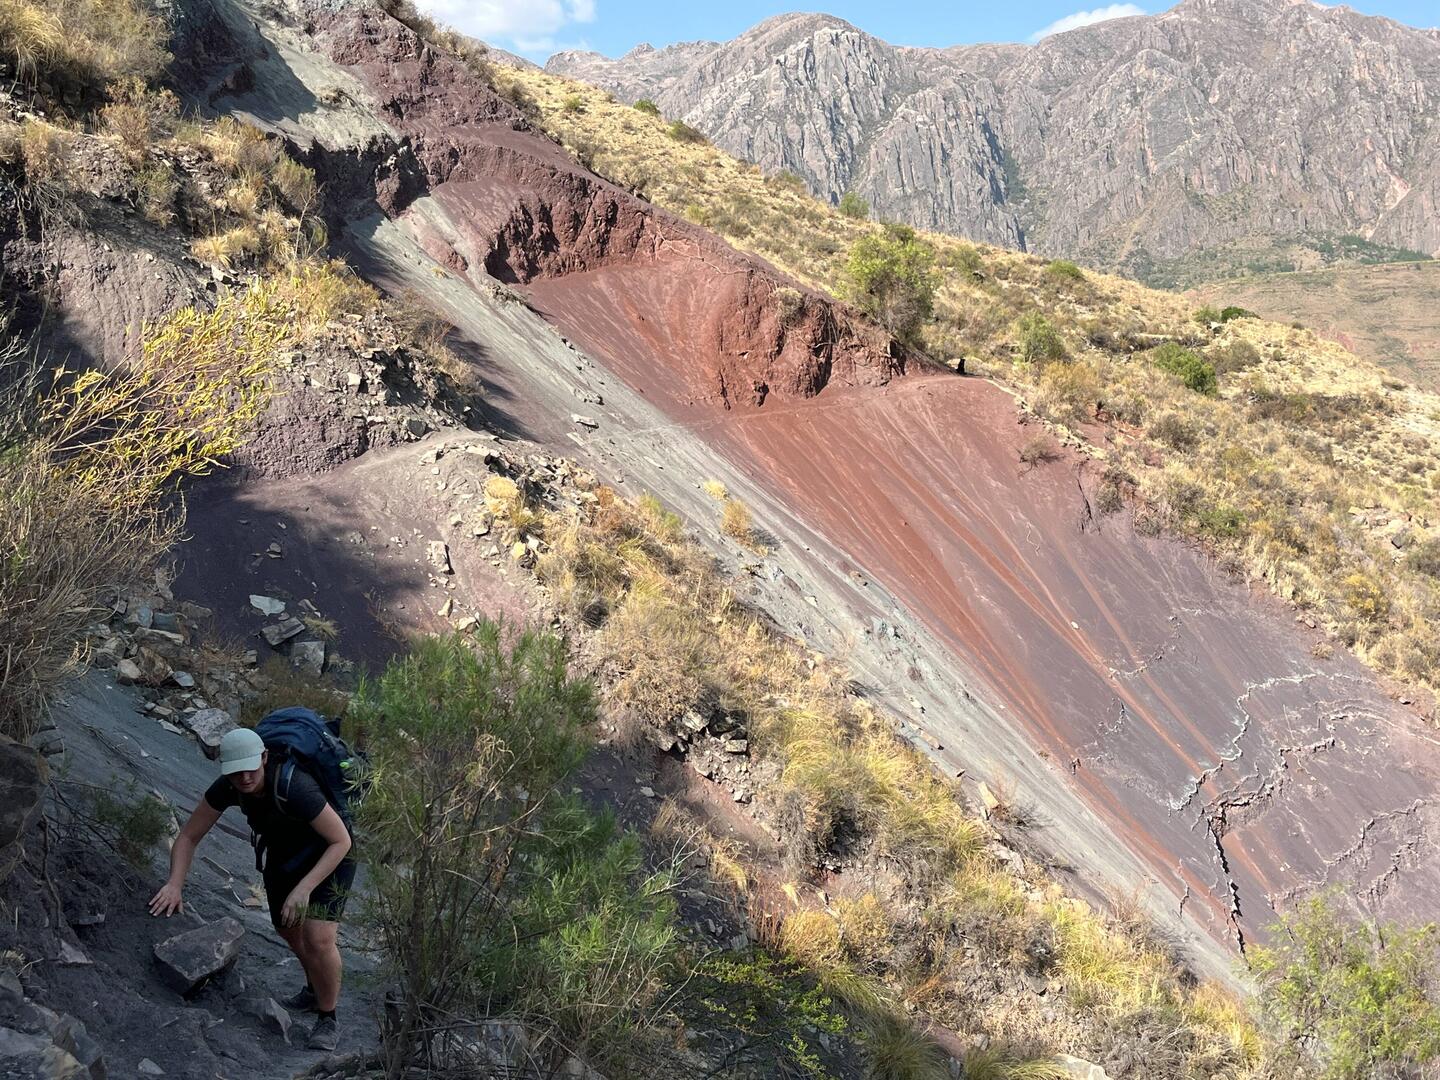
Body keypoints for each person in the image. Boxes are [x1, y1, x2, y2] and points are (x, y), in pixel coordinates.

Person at [149, 727, 355, 1051]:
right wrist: (174, 884)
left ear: (264, 758)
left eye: (251, 767)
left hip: (332, 855)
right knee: (289, 931)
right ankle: (315, 988)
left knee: (318, 937)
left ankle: (328, 1018)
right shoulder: (230, 787)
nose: (245, 777)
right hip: (285, 855)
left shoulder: (296, 786)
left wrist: (304, 889)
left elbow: (341, 840)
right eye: (235, 771)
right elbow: (188, 836)